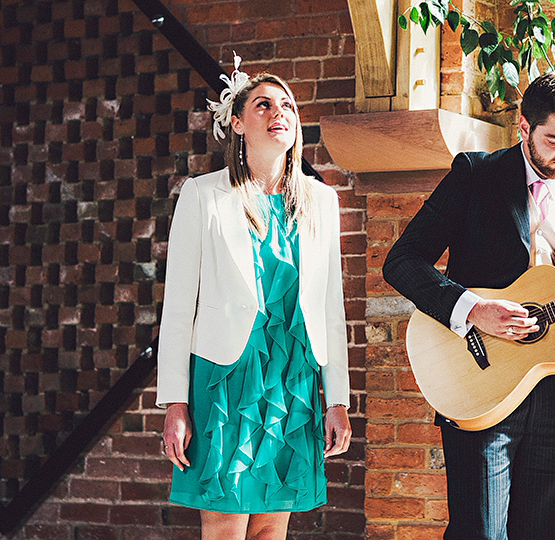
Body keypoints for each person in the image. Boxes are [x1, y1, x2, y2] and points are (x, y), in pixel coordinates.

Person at [382, 72, 555, 540]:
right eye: (554, 140)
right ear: (524, 127)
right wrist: (474, 309)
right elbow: (401, 262)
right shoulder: (475, 176)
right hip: (482, 383)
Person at [156, 55, 352, 540]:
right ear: (238, 123)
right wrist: (175, 403)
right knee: (226, 528)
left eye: (286, 104)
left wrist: (339, 401)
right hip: (224, 384)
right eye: (262, 104)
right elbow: (179, 307)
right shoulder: (202, 196)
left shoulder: (321, 202)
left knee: (270, 530)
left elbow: (330, 308)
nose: (277, 112)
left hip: (293, 385)